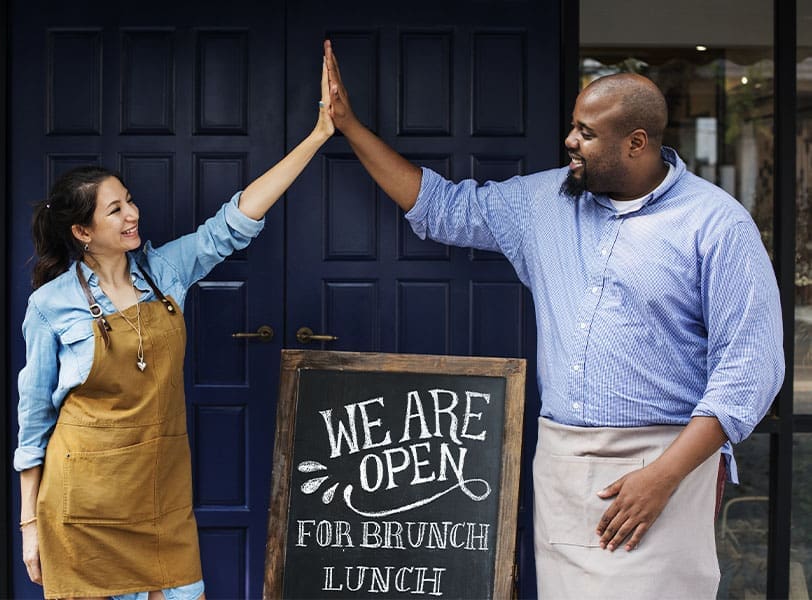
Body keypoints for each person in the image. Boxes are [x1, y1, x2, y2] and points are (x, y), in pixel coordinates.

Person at [323, 39, 784, 599]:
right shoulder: (544, 203)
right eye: (574, 125)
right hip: (562, 462)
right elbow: (442, 208)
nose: (570, 139)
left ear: (636, 143)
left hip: (666, 462)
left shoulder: (716, 225)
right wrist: (348, 126)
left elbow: (750, 371)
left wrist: (664, 477)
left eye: (587, 132)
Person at [14, 60, 333, 600]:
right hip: (82, 510)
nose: (131, 214)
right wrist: (28, 528)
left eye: (129, 201)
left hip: (160, 495)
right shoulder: (49, 306)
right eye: (114, 210)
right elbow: (33, 422)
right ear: (82, 232)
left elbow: (234, 224)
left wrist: (319, 135)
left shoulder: (164, 273)